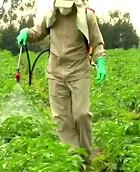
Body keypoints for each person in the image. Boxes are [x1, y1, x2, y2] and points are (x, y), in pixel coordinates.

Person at [16, 0, 107, 165]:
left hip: (79, 71)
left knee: (81, 114)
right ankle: (73, 160)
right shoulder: (51, 15)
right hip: (56, 73)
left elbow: (97, 42)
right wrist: (26, 33)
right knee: (61, 120)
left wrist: (100, 62)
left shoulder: (87, 16)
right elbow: (37, 33)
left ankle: (85, 157)